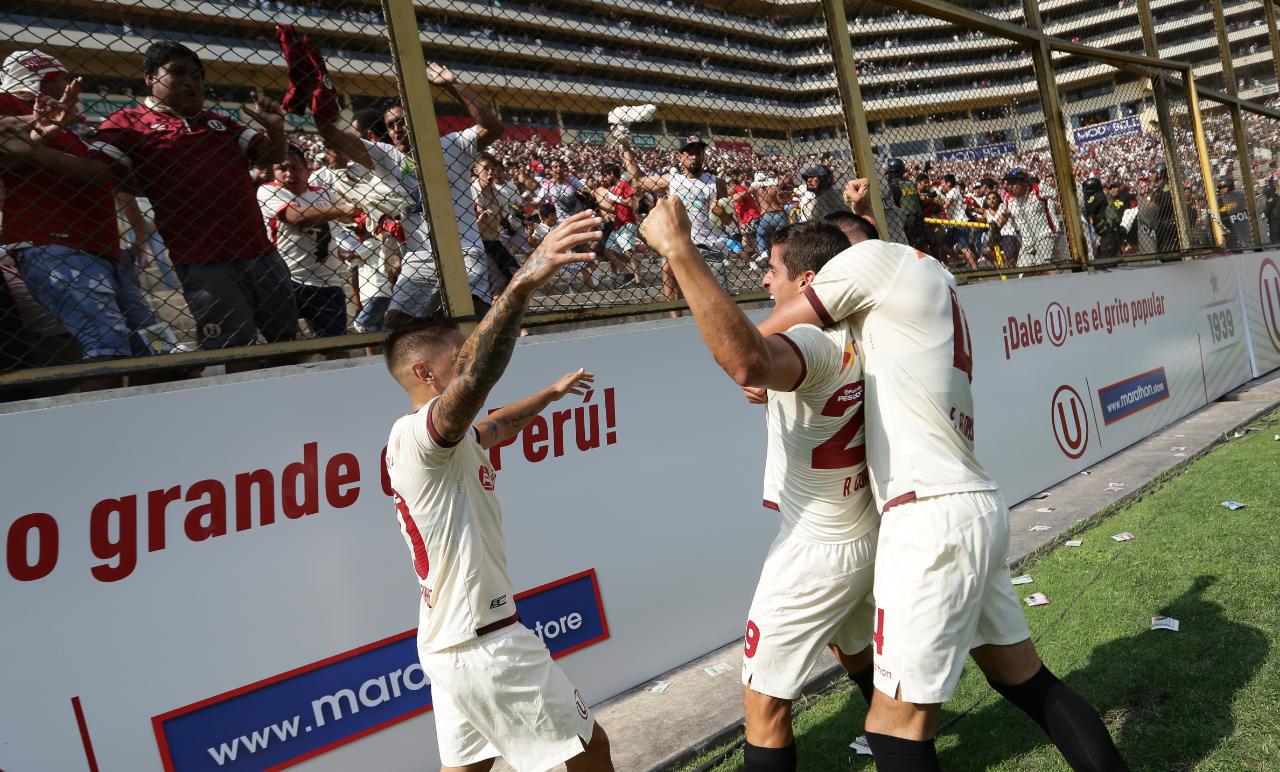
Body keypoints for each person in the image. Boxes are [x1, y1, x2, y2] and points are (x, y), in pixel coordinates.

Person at [755, 180, 1128, 772]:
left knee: (893, 729)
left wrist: (762, 359)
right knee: (1027, 682)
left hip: (928, 517)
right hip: (967, 501)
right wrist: (863, 216)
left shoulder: (872, 264)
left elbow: (765, 336)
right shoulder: (925, 275)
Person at [641, 202, 880, 772]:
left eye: (773, 268)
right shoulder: (867, 331)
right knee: (853, 645)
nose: (765, 278)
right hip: (862, 529)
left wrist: (680, 247)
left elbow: (747, 362)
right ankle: (894, 736)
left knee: (764, 704)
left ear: (808, 282)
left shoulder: (814, 345)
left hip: (815, 547)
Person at [383, 209, 614, 771]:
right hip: (484, 640)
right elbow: (477, 380)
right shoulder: (419, 436)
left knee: (467, 768)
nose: (466, 360)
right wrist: (523, 281)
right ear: (424, 375)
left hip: (450, 643)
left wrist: (548, 396)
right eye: (455, 356)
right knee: (589, 751)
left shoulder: (444, 443)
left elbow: (497, 423)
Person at [84, 41, 300, 357]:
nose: (191, 81)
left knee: (289, 341)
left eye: (197, 76)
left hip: (261, 252)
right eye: (178, 73)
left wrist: (277, 131)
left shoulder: (220, 122)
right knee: (232, 352)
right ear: (149, 78)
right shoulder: (128, 123)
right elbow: (94, 172)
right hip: (204, 262)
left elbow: (270, 154)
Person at [0, 49, 162, 375]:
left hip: (101, 248)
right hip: (55, 245)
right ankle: (103, 421)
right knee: (107, 341)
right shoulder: (10, 105)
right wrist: (41, 120)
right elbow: (7, 138)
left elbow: (109, 176)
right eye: (62, 79)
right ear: (40, 79)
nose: (70, 85)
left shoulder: (69, 122)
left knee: (157, 342)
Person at [315, 61, 505, 326]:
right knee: (396, 324)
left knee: (472, 315)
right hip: (420, 257)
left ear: (422, 120)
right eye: (392, 125)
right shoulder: (386, 155)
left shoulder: (452, 145)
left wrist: (451, 83)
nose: (397, 129)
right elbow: (336, 138)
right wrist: (321, 108)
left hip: (464, 250)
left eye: (403, 122)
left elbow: (493, 126)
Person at [619, 133, 730, 316]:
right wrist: (625, 147)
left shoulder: (716, 183)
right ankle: (675, 321)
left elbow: (727, 220)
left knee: (720, 299)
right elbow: (638, 180)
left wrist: (721, 212)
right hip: (682, 243)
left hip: (710, 244)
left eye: (698, 152)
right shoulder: (672, 180)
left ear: (703, 156)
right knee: (667, 270)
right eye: (689, 153)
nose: (694, 156)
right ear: (680, 157)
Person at [258, 144, 358, 339]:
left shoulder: (323, 193)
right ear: (273, 172)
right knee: (286, 346)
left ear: (307, 170)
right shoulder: (268, 191)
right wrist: (345, 210)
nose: (289, 174)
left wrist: (360, 217)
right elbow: (295, 216)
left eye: (295, 168)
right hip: (287, 281)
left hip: (327, 282)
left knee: (336, 346)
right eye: (282, 169)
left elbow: (350, 217)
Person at [996, 168, 1059, 267]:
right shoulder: (1008, 198)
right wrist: (994, 230)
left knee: (1043, 265)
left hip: (1045, 234)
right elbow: (1004, 216)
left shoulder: (1038, 189)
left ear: (1024, 181)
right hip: (1027, 242)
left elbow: (1058, 195)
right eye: (1008, 183)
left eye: (1013, 183)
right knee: (1023, 270)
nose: (1009, 187)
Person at [1081, 177, 1121, 260]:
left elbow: (1088, 209)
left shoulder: (1098, 197)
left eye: (1086, 191)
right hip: (1109, 233)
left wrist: (1085, 199)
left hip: (1108, 234)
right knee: (1103, 260)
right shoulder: (1102, 195)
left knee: (1106, 262)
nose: (1085, 193)